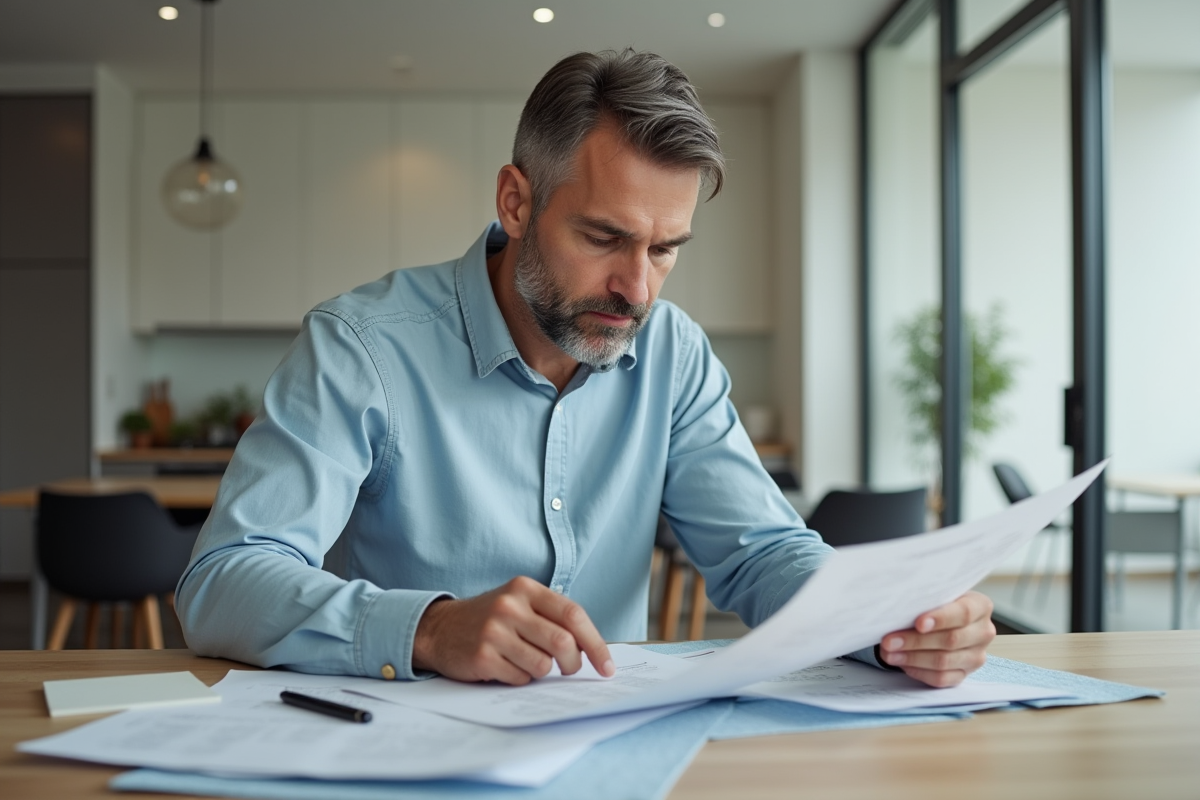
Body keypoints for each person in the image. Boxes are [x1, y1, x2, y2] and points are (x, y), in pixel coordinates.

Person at [177, 49, 994, 689]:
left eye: (665, 249)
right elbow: (222, 583)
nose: (637, 289)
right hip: (403, 752)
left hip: (616, 747)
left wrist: (889, 623)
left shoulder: (674, 355)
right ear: (516, 202)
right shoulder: (362, 347)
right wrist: (429, 628)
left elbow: (761, 554)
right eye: (604, 238)